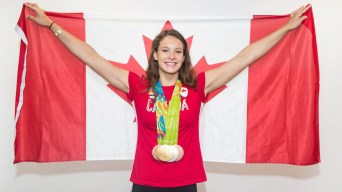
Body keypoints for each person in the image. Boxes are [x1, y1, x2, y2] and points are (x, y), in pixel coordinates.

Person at [24, 3, 311, 192]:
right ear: (156, 55)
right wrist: (51, 26)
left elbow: (246, 56)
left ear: (184, 57)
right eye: (165, 50)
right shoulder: (138, 85)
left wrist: (285, 27)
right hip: (145, 182)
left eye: (178, 51)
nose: (171, 56)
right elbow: (90, 56)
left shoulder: (198, 86)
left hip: (186, 182)